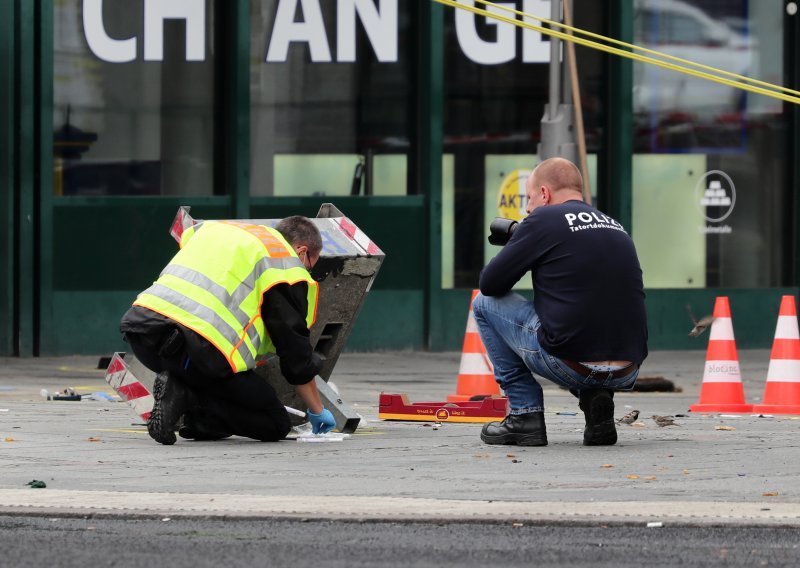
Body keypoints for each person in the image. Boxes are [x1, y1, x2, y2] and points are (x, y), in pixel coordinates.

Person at [473, 157, 648, 447]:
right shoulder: (615, 225)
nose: (527, 209)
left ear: (544, 193)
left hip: (570, 363)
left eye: (529, 198)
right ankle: (595, 405)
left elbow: (490, 284)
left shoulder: (542, 219)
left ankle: (524, 415)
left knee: (483, 304)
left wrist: (521, 243)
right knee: (580, 320)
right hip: (628, 369)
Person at [119, 215, 336, 445]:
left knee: (216, 383)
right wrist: (316, 409)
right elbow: (294, 352)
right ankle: (188, 398)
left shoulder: (220, 231)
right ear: (301, 251)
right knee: (275, 423)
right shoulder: (282, 262)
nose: (307, 270)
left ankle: (195, 416)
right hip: (195, 351)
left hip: (143, 333)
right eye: (311, 264)